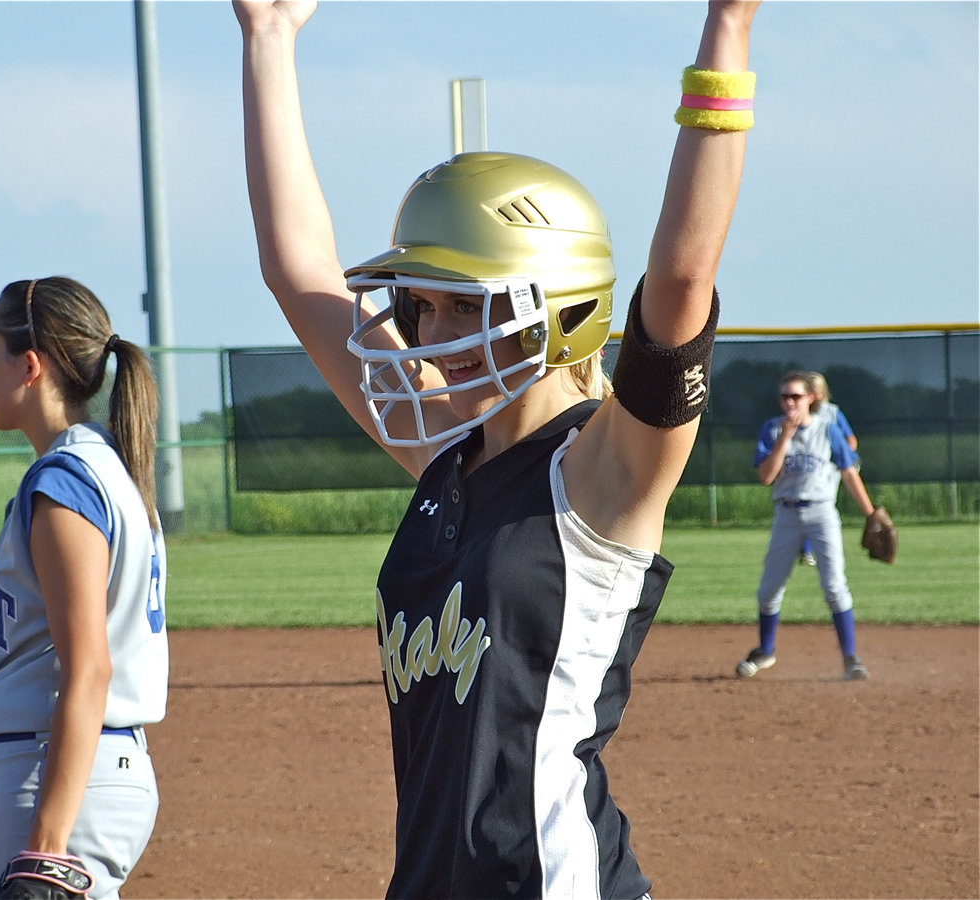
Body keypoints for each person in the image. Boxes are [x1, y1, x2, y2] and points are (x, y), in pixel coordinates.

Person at [235, 0, 758, 896]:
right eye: (417, 305)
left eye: (455, 304)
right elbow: (300, 273)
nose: (421, 329)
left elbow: (680, 276)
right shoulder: (444, 453)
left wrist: (729, 21)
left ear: (548, 309)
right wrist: (268, 37)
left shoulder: (602, 477)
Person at [0, 277, 169, 899]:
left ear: (30, 364)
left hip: (62, 785)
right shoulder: (102, 467)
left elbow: (88, 673)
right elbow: (36, 681)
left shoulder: (65, 485)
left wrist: (44, 854)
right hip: (64, 772)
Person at [736, 370, 874, 682]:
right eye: (784, 396)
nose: (789, 402)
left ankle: (851, 658)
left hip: (822, 514)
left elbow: (849, 472)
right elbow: (766, 476)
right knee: (768, 591)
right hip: (786, 515)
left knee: (835, 587)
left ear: (810, 398)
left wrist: (870, 512)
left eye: (796, 396)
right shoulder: (772, 430)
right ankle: (766, 650)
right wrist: (785, 436)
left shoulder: (827, 430)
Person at [797, 370, 858, 565]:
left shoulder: (831, 412)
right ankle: (806, 550)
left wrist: (843, 457)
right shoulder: (799, 412)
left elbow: (851, 440)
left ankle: (815, 550)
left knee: (821, 506)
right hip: (804, 467)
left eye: (815, 389)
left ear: (822, 392)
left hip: (829, 469)